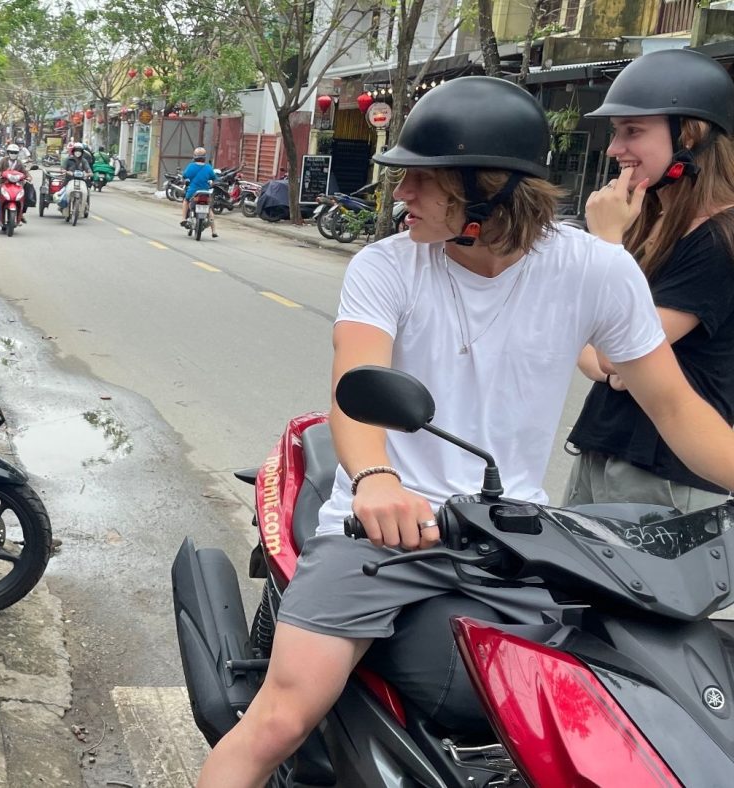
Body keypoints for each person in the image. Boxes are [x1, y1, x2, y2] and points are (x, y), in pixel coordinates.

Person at [196, 76, 734, 787]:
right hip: (376, 537)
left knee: (588, 730)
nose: (399, 195)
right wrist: (378, 482)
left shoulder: (596, 270)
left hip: (512, 539)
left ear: (488, 190)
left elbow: (676, 410)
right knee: (279, 721)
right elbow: (355, 393)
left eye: (422, 179)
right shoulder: (387, 266)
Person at [566, 48, 734, 512]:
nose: (615, 149)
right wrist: (612, 361)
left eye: (633, 132)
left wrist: (606, 244)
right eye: (617, 133)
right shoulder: (650, 222)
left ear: (691, 134)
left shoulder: (719, 240)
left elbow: (610, 348)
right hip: (604, 449)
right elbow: (585, 343)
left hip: (665, 474)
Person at [0, 142, 32, 223]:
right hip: (4, 183)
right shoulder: (3, 160)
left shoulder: (19, 162)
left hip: (18, 184)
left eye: (15, 152)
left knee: (25, 195)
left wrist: (29, 177)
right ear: (8, 152)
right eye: (11, 152)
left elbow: (25, 172)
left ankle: (21, 213)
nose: (13, 154)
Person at [180, 147, 217, 237]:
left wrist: (184, 180)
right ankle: (214, 231)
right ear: (204, 157)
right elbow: (214, 178)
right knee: (209, 209)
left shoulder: (191, 166)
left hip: (193, 191)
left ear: (194, 156)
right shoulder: (208, 167)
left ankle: (183, 218)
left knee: (186, 200)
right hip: (205, 192)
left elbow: (184, 176)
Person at [60, 142, 94, 211]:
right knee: (63, 191)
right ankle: (62, 205)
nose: (77, 153)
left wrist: (88, 173)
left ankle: (85, 205)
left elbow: (88, 169)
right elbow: (63, 168)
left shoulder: (84, 161)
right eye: (76, 151)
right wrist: (65, 171)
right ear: (73, 151)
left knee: (86, 191)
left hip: (81, 180)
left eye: (79, 151)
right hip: (69, 180)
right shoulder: (68, 160)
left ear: (82, 152)